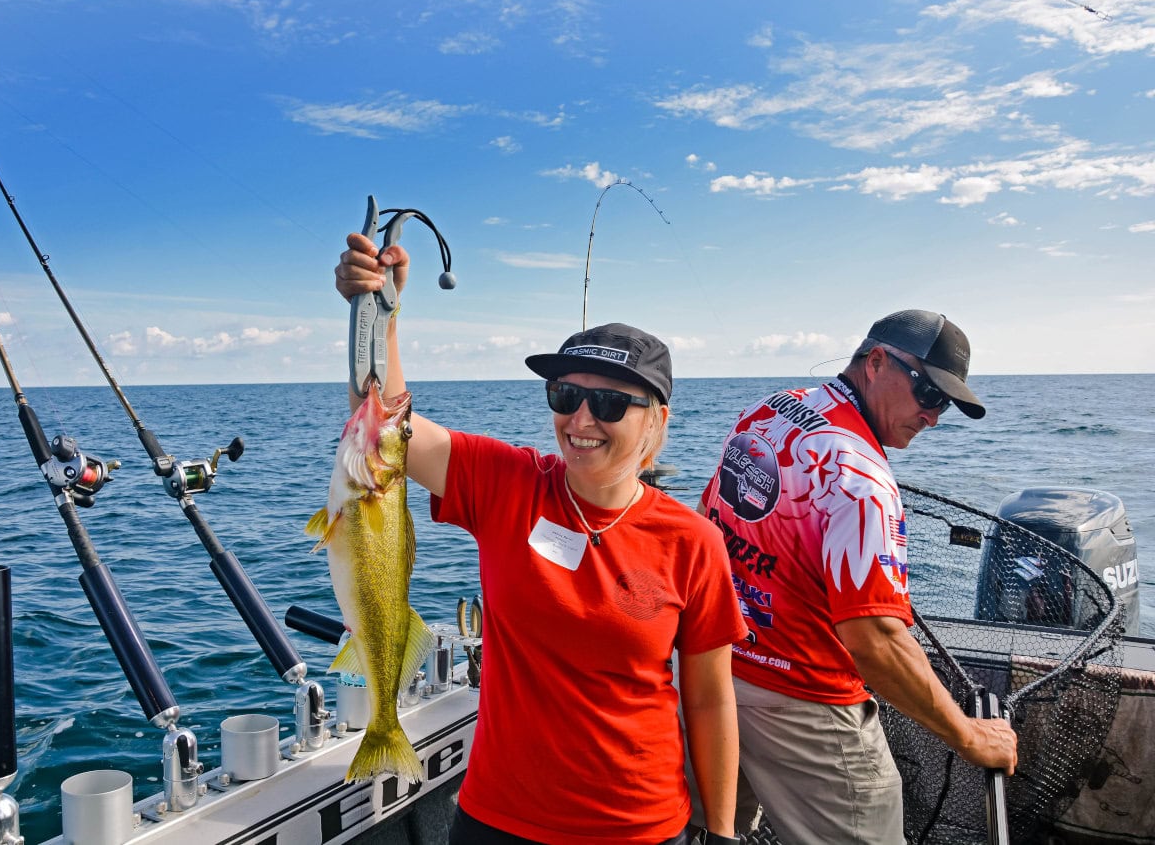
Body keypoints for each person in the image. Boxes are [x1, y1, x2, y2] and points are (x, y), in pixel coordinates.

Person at [334, 231, 747, 845]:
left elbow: (711, 701)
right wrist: (380, 315)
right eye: (566, 394)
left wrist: (720, 831)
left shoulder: (693, 541)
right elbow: (385, 428)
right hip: (499, 821)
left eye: (608, 402)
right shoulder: (510, 484)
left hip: (640, 827)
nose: (580, 419)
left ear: (656, 419)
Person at [698, 310, 1019, 844]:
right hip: (803, 701)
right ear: (876, 362)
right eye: (929, 395)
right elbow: (875, 641)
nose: (934, 418)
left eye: (945, 405)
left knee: (711, 830)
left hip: (713, 676)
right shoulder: (863, 480)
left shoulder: (768, 411)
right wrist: (968, 737)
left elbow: (710, 515)